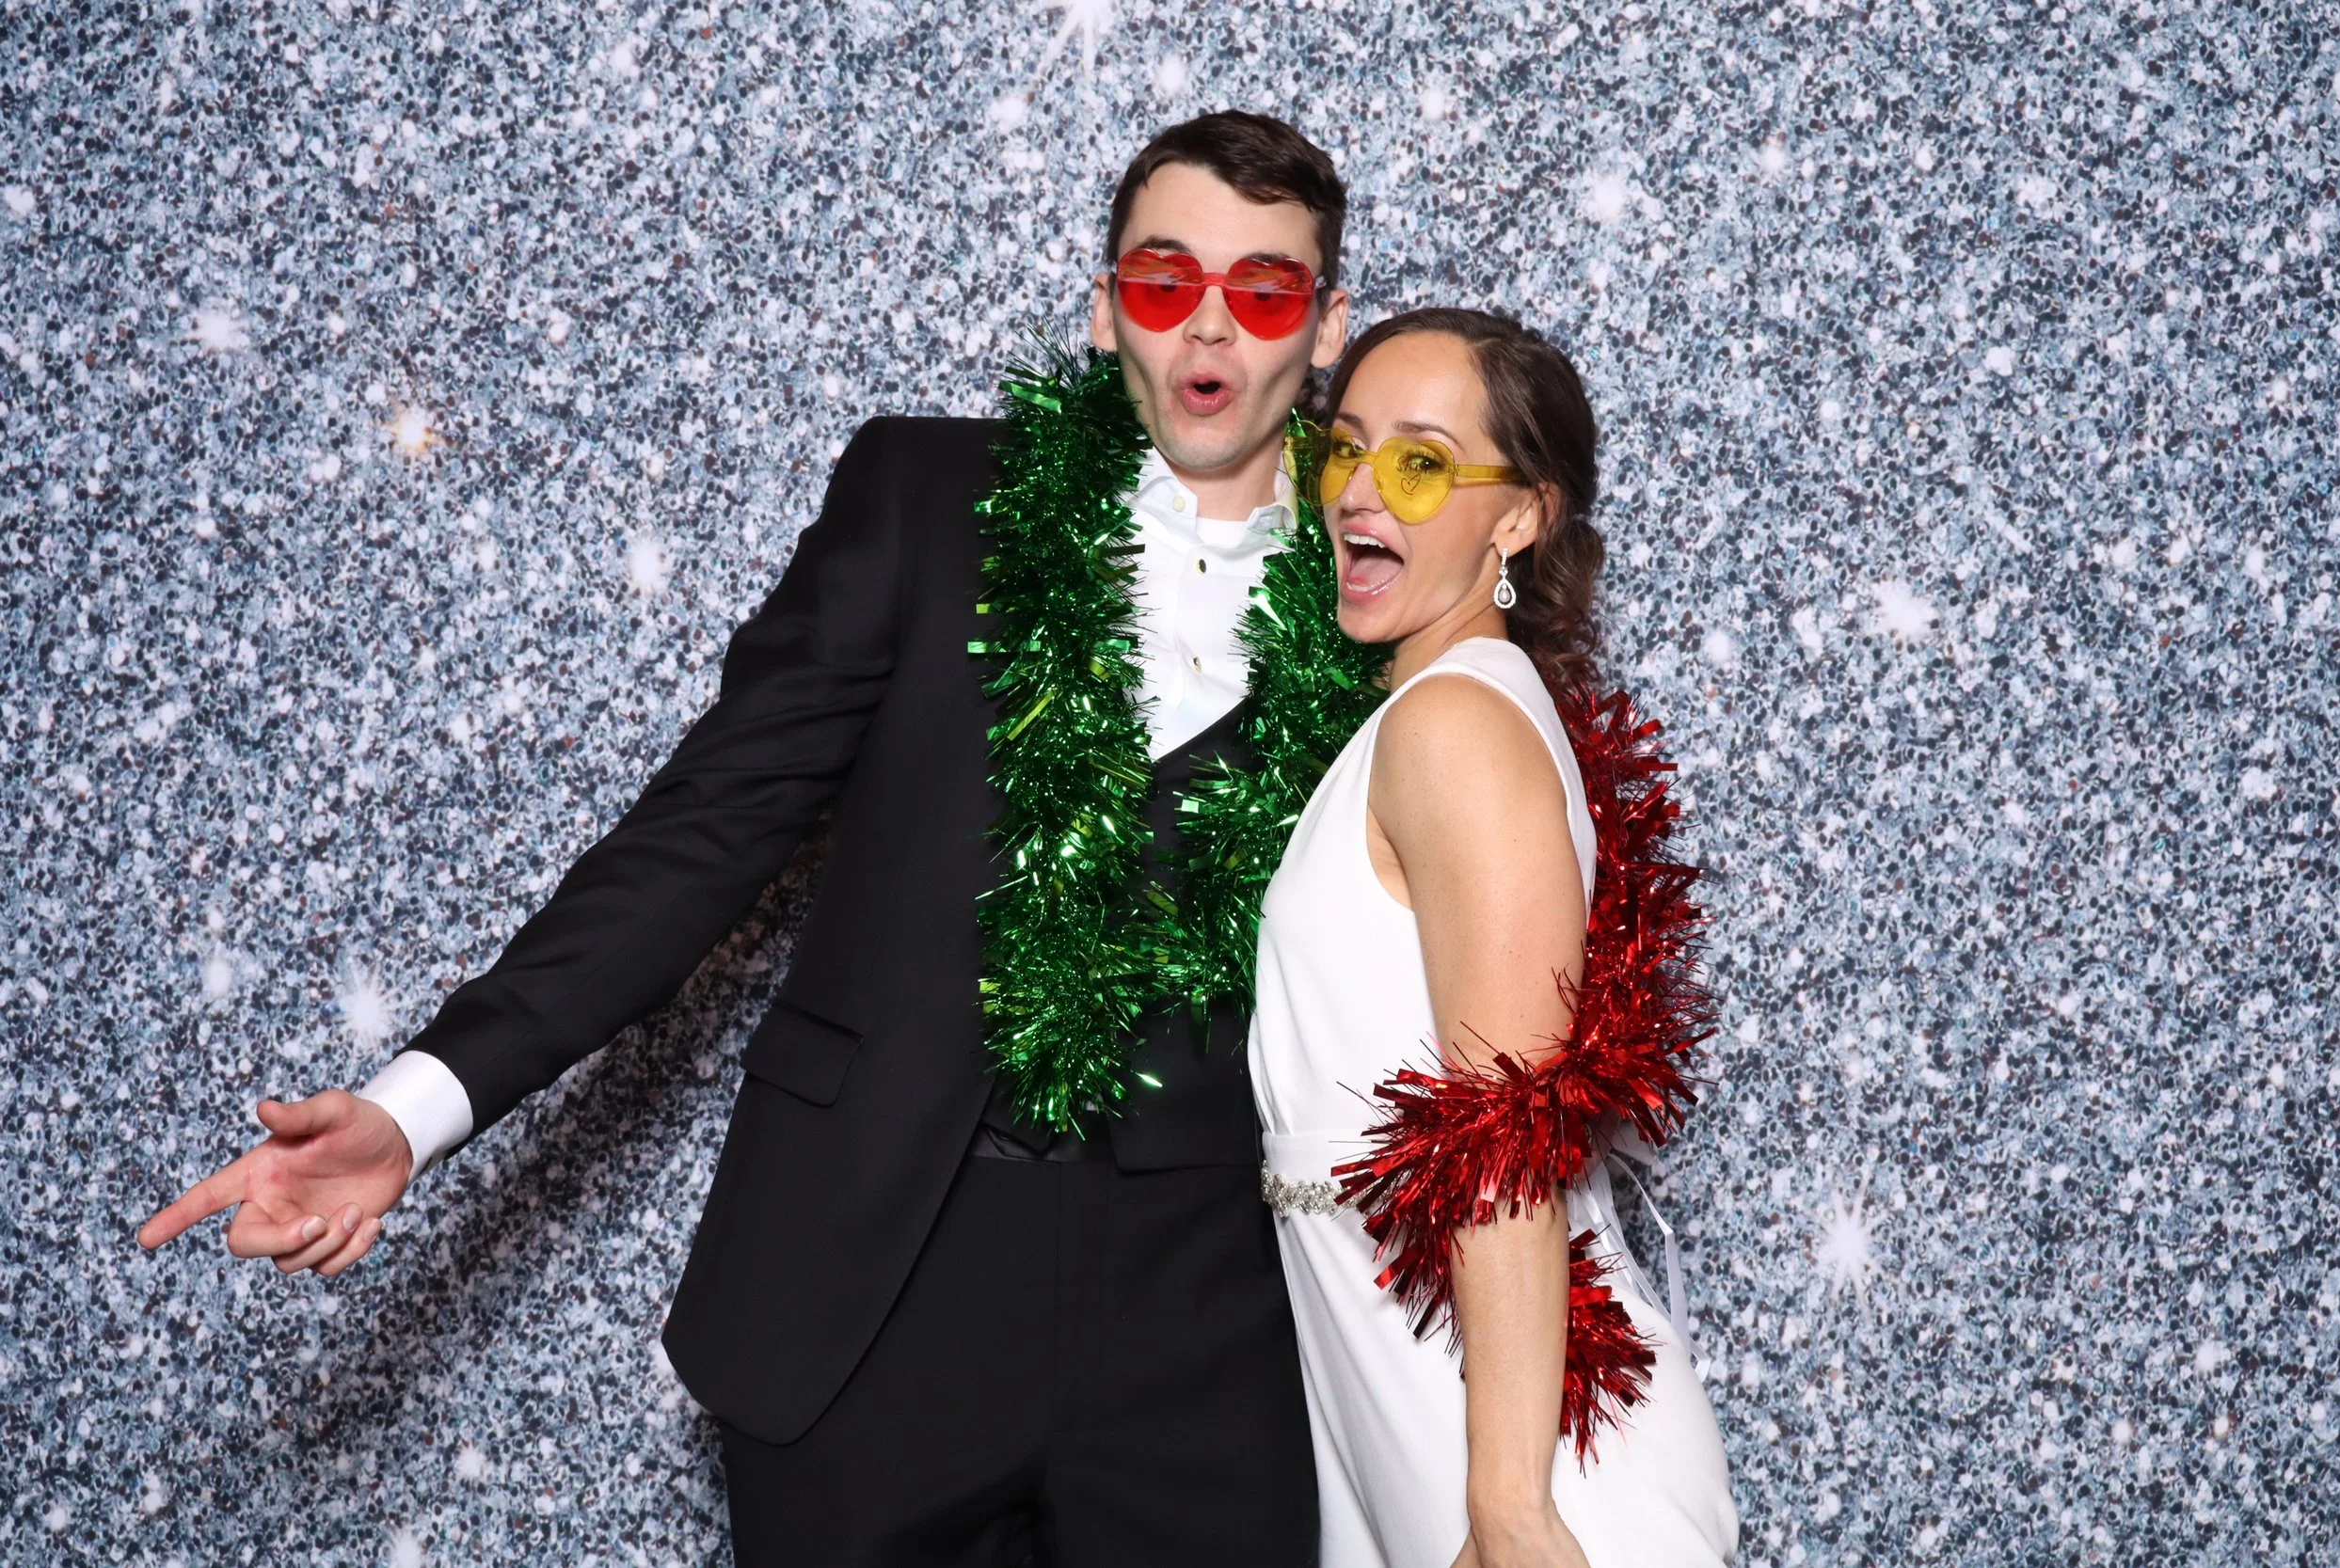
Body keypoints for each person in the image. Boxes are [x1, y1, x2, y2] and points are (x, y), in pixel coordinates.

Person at [139, 111, 1359, 1566]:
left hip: (1208, 1332)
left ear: (1327, 327)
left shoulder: (1389, 587)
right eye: (1165, 281)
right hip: (869, 1294)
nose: (1210, 324)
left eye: (1265, 290)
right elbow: (701, 837)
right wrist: (414, 1107)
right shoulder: (926, 501)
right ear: (1105, 310)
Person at [1249, 309, 1740, 1567]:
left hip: (1521, 1444)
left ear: (1520, 516)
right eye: (1344, 449)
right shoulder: (1436, 710)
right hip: (1404, 1385)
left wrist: (1512, 1510)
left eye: (1417, 464)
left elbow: (1507, 1130)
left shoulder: (1455, 727)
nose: (1359, 492)